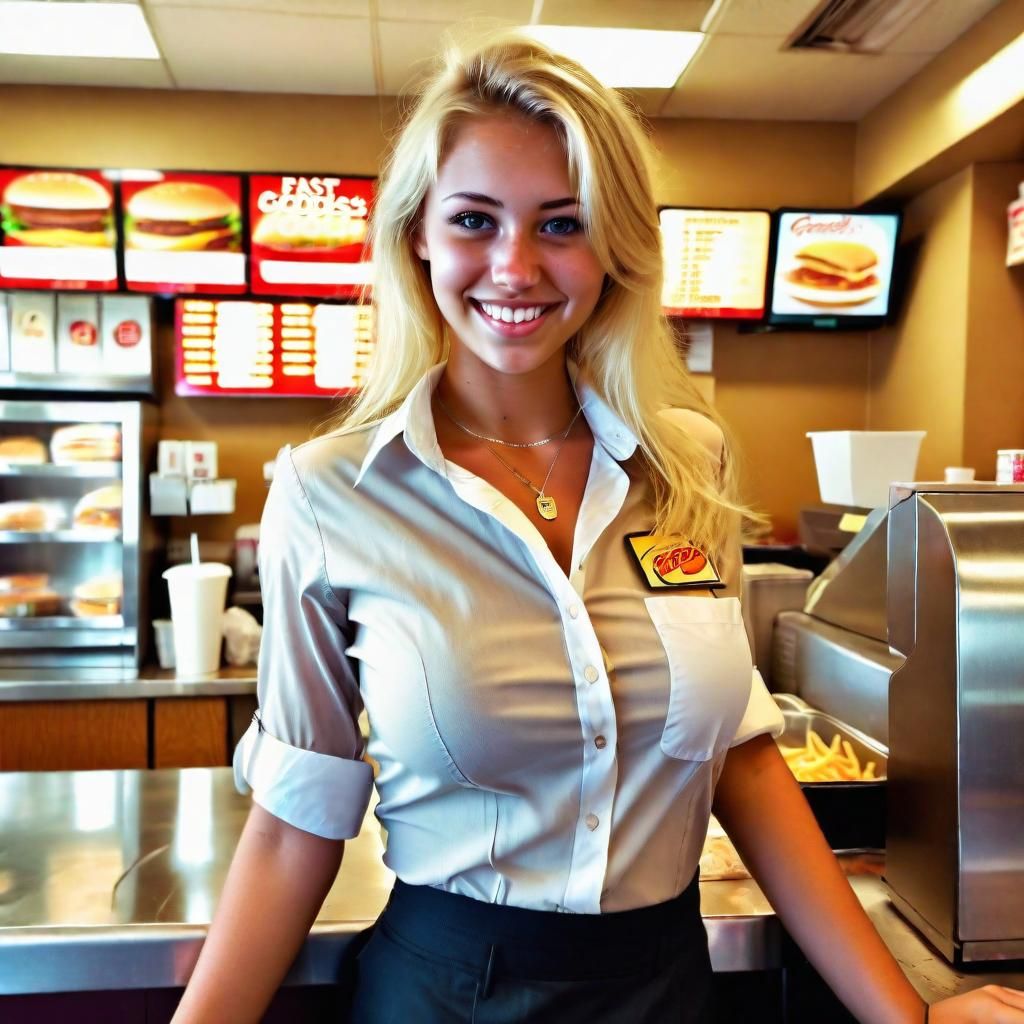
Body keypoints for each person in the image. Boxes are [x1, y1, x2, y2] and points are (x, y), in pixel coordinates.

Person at [171, 34, 1024, 1024]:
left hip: (666, 986)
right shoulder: (332, 492)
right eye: (475, 220)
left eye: (561, 223)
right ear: (418, 236)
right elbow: (295, 825)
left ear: (613, 243)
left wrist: (905, 1017)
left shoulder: (688, 464)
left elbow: (740, 761)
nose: (515, 266)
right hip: (449, 991)